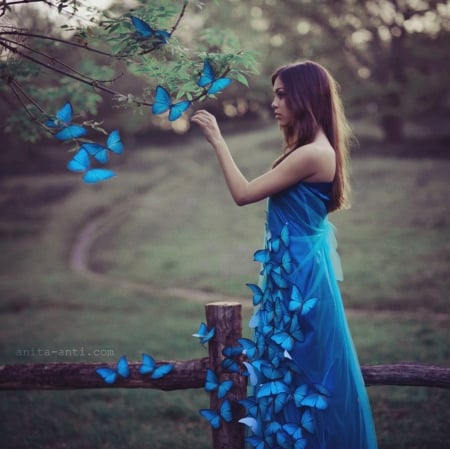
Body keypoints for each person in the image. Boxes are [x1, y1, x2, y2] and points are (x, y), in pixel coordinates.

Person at [192, 60, 378, 449]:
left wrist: (217, 140)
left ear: (305, 97)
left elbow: (243, 194)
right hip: (294, 270)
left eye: (281, 94)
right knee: (289, 371)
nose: (274, 103)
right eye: (274, 93)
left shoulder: (312, 153)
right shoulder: (311, 149)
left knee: (300, 371)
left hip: (300, 277)